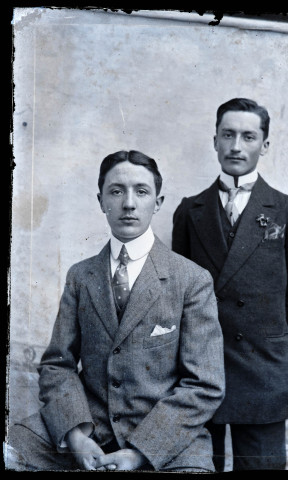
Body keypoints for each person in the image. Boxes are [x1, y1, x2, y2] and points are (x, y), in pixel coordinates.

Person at [7, 150, 225, 472]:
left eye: (141, 191)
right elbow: (57, 364)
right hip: (88, 423)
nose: (129, 203)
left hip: (164, 435)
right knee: (13, 449)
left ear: (158, 202)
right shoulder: (81, 276)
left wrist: (140, 453)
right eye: (116, 191)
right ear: (101, 201)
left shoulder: (191, 280)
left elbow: (204, 385)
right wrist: (77, 436)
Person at [172, 98, 288, 471]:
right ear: (215, 141)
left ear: (264, 145)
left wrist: (265, 332)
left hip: (264, 370)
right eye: (228, 135)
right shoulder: (190, 211)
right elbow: (181, 292)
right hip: (203, 371)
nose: (236, 146)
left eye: (248, 136)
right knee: (199, 466)